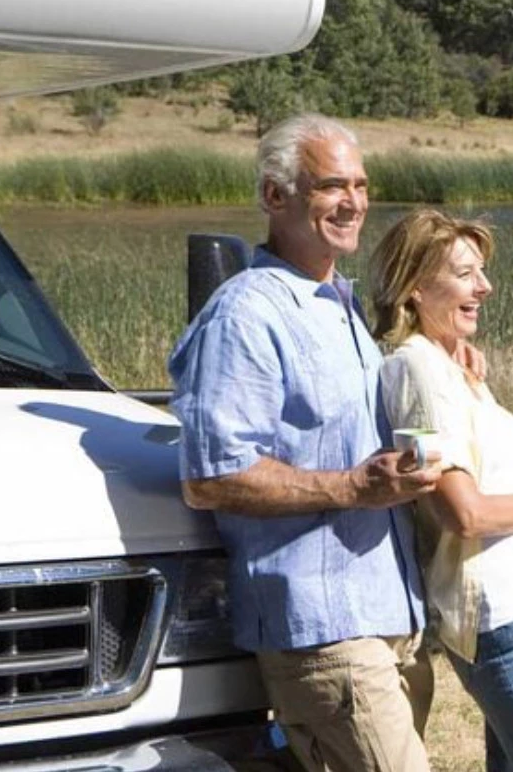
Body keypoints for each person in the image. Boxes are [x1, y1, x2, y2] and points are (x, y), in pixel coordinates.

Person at [168, 114, 444, 772]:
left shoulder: (338, 305)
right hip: (325, 634)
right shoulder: (245, 314)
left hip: (392, 620)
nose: (354, 202)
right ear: (275, 196)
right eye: (331, 187)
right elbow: (212, 476)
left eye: (361, 185)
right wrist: (351, 486)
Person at [370, 208, 513, 772]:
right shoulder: (416, 370)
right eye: (466, 274)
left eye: (482, 271)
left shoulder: (457, 368)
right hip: (501, 621)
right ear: (417, 287)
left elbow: (498, 483)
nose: (485, 286)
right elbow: (464, 513)